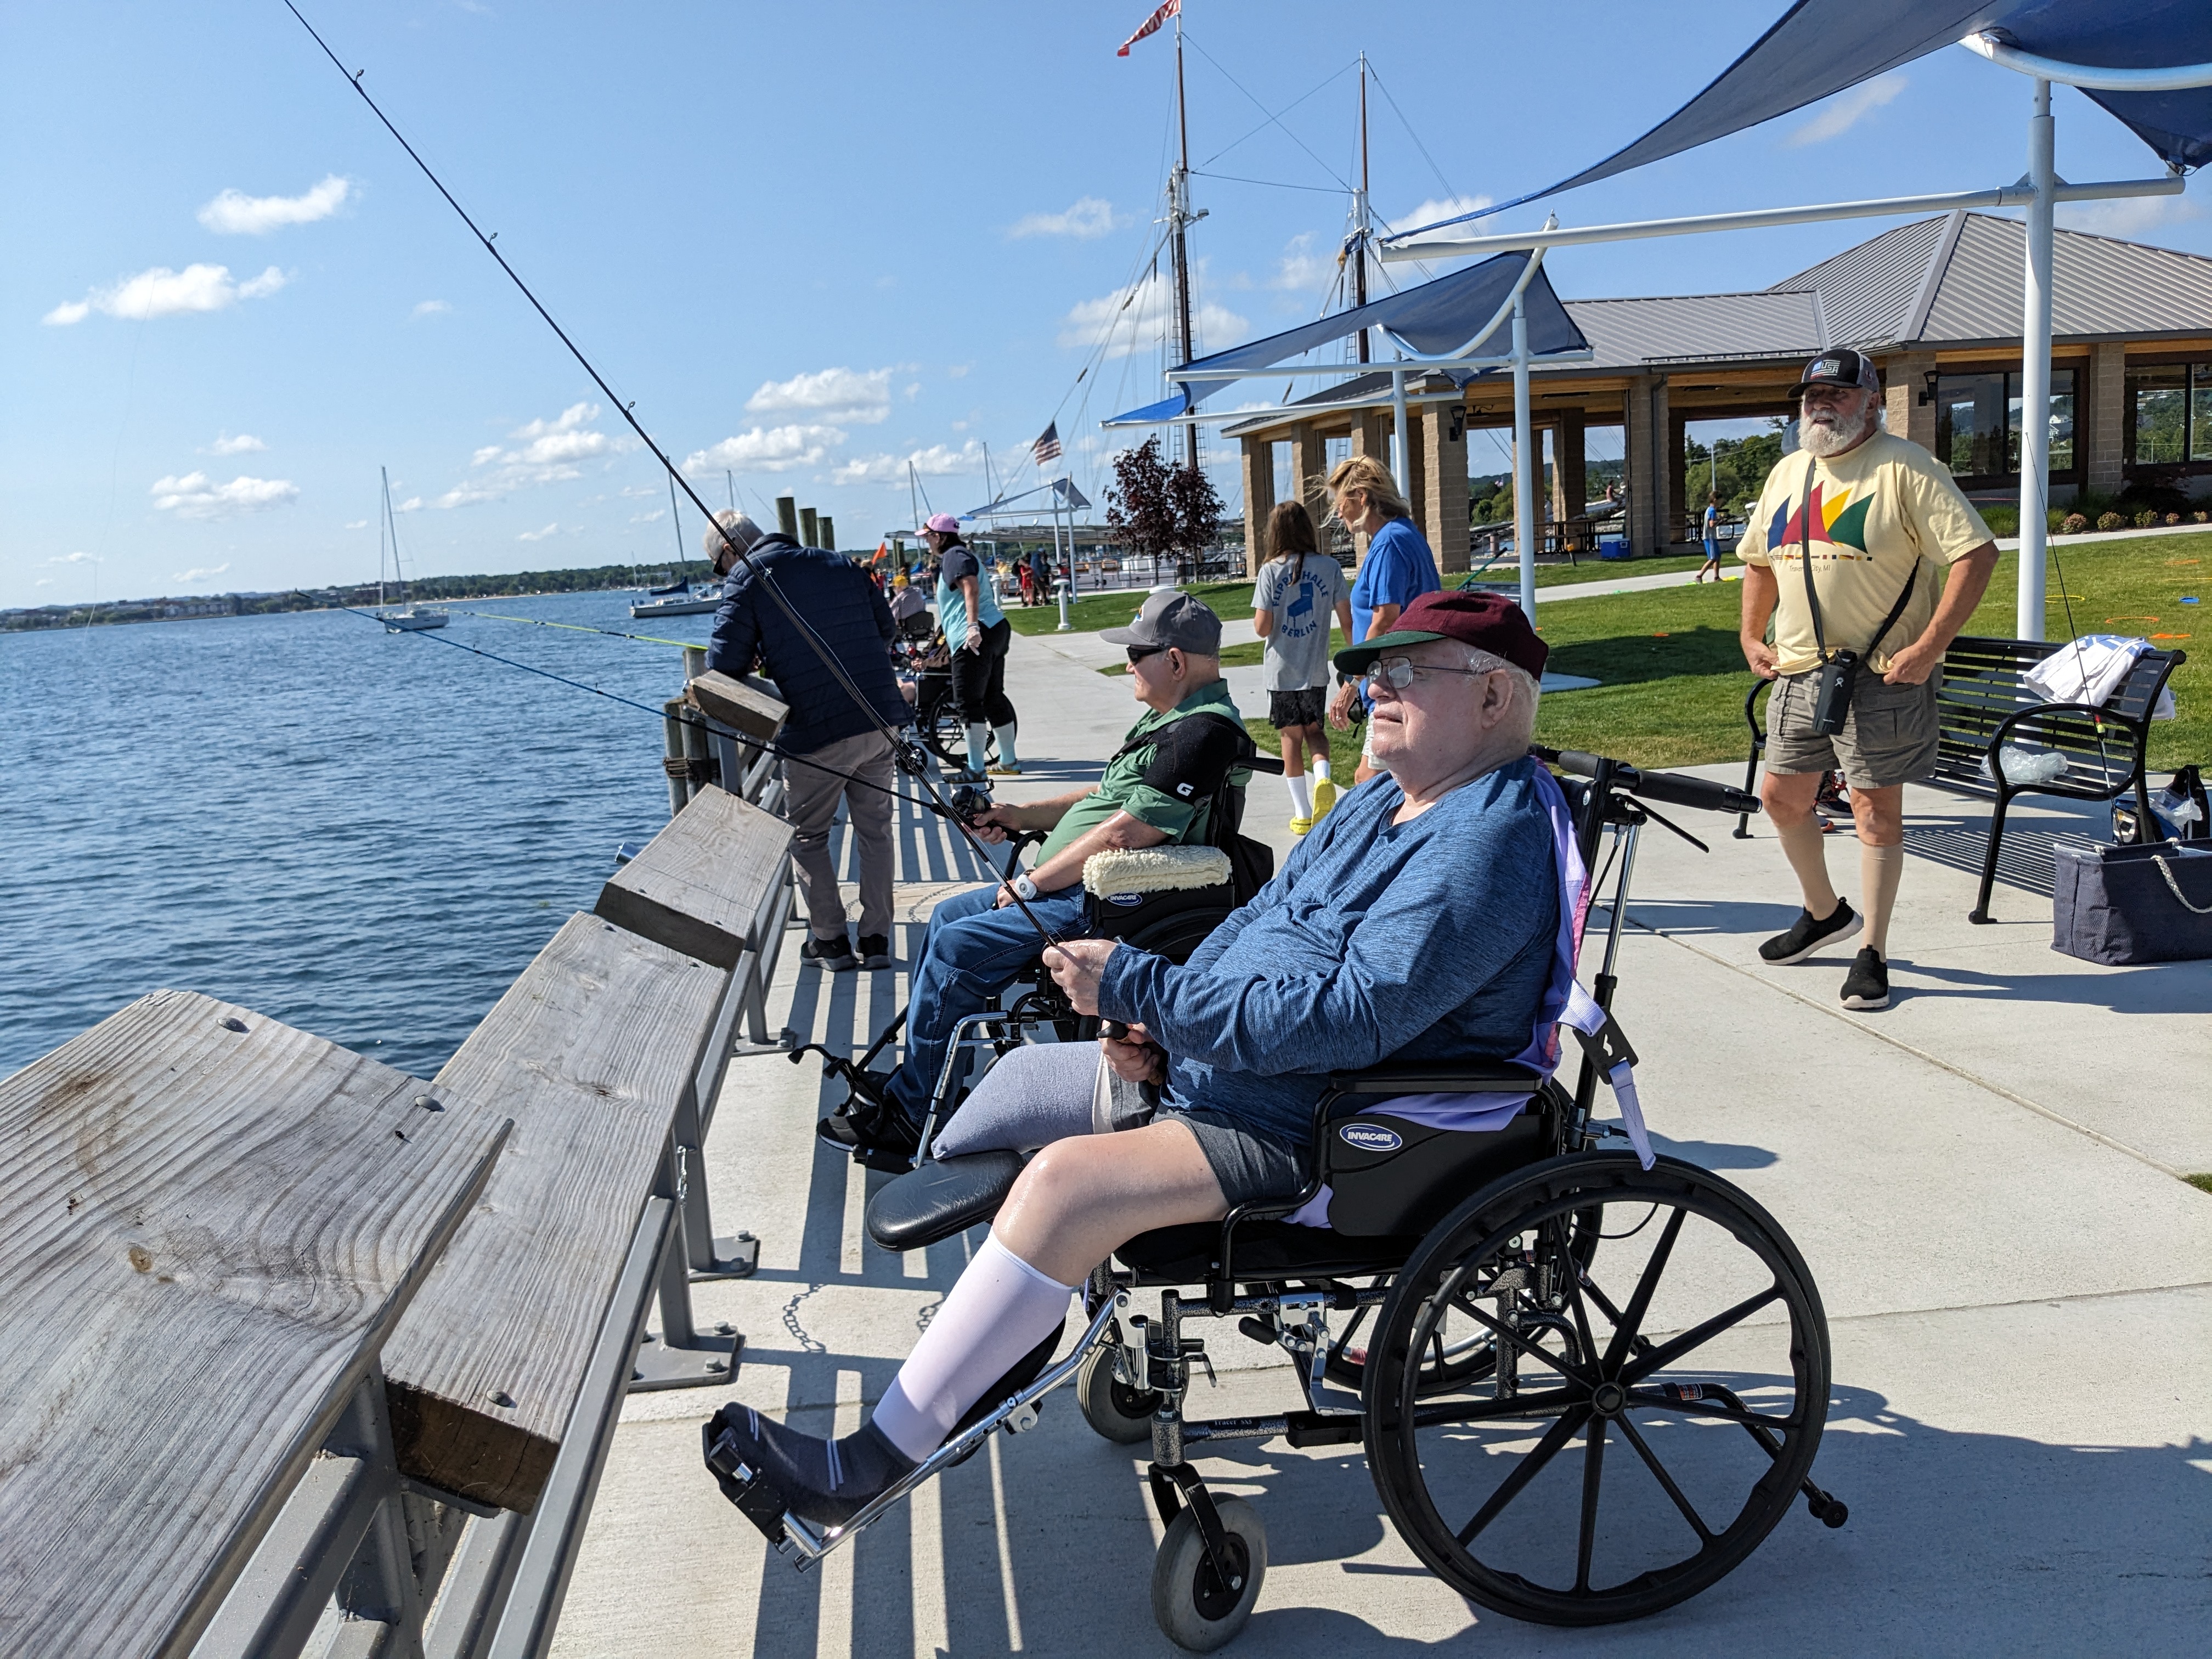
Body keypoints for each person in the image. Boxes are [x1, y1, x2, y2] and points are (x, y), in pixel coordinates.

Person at [706, 590, 1561, 1525]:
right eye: (1372, 668)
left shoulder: (1485, 840)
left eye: (1406, 671)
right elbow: (1258, 919)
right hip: (1233, 1072)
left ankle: (864, 1466)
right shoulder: (1384, 800)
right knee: (1009, 1093)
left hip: (1319, 1123)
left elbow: (1348, 1019)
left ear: (1490, 699)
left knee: (1064, 1183)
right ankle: (1000, 1348)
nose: (1372, 689)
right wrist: (1164, 1020)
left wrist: (1148, 992)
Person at [818, 590, 1252, 1166]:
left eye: (1137, 653)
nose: (1127, 664)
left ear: (1175, 662)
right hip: (1082, 888)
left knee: (956, 945)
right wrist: (1020, 817)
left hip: (1113, 901)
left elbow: (1128, 832)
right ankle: (922, 1085)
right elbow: (1103, 799)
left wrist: (1031, 884)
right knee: (948, 915)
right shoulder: (1167, 722)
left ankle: (912, 1115)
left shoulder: (1205, 733)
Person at [1737, 349, 1998, 1011]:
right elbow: (1760, 563)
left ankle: (1871, 950)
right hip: (1799, 670)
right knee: (1782, 798)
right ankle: (1825, 915)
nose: (1820, 405)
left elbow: (1976, 554)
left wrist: (1930, 646)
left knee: (1873, 811)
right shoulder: (1788, 473)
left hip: (1882, 674)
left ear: (1872, 400)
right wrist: (1749, 634)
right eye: (1811, 395)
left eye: (1838, 394)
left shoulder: (1906, 468)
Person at [704, 510, 913, 973]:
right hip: (879, 718)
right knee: (875, 832)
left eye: (721, 568)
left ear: (730, 551)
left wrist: (770, 654)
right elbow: (884, 630)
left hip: (816, 730)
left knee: (808, 836)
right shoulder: (839, 563)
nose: (725, 576)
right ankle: (877, 940)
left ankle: (831, 943)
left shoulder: (746, 579)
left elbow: (722, 664)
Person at [1323, 454, 1440, 785]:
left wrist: (1351, 685)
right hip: (1408, 679)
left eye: (1340, 503)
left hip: (1396, 681)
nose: (1338, 512)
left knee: (1369, 782)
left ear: (1361, 498)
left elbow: (1386, 619)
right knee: (1394, 783)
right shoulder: (1402, 534)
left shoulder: (1389, 541)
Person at [1251, 499, 1351, 836]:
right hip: (1315, 670)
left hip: (1281, 671)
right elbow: (1347, 619)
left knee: (1290, 739)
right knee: (1314, 731)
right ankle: (1323, 779)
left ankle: (1302, 812)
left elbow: (1262, 628)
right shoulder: (1330, 567)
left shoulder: (1270, 570)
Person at [922, 512, 1020, 780]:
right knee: (992, 697)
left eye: (929, 537)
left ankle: (976, 769)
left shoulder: (954, 555)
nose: (928, 543)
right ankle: (1008, 761)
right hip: (995, 628)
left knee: (968, 701)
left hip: (977, 635)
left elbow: (971, 587)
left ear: (939, 536)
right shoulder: (964, 555)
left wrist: (972, 626)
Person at [1697, 492, 1724, 582]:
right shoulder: (1712, 510)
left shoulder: (1709, 510)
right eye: (1720, 501)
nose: (1721, 503)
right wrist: (1719, 520)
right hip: (1710, 538)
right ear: (1716, 500)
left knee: (1718, 556)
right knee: (1713, 558)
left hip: (1711, 537)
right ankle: (1699, 576)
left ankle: (1716, 577)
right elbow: (1712, 524)